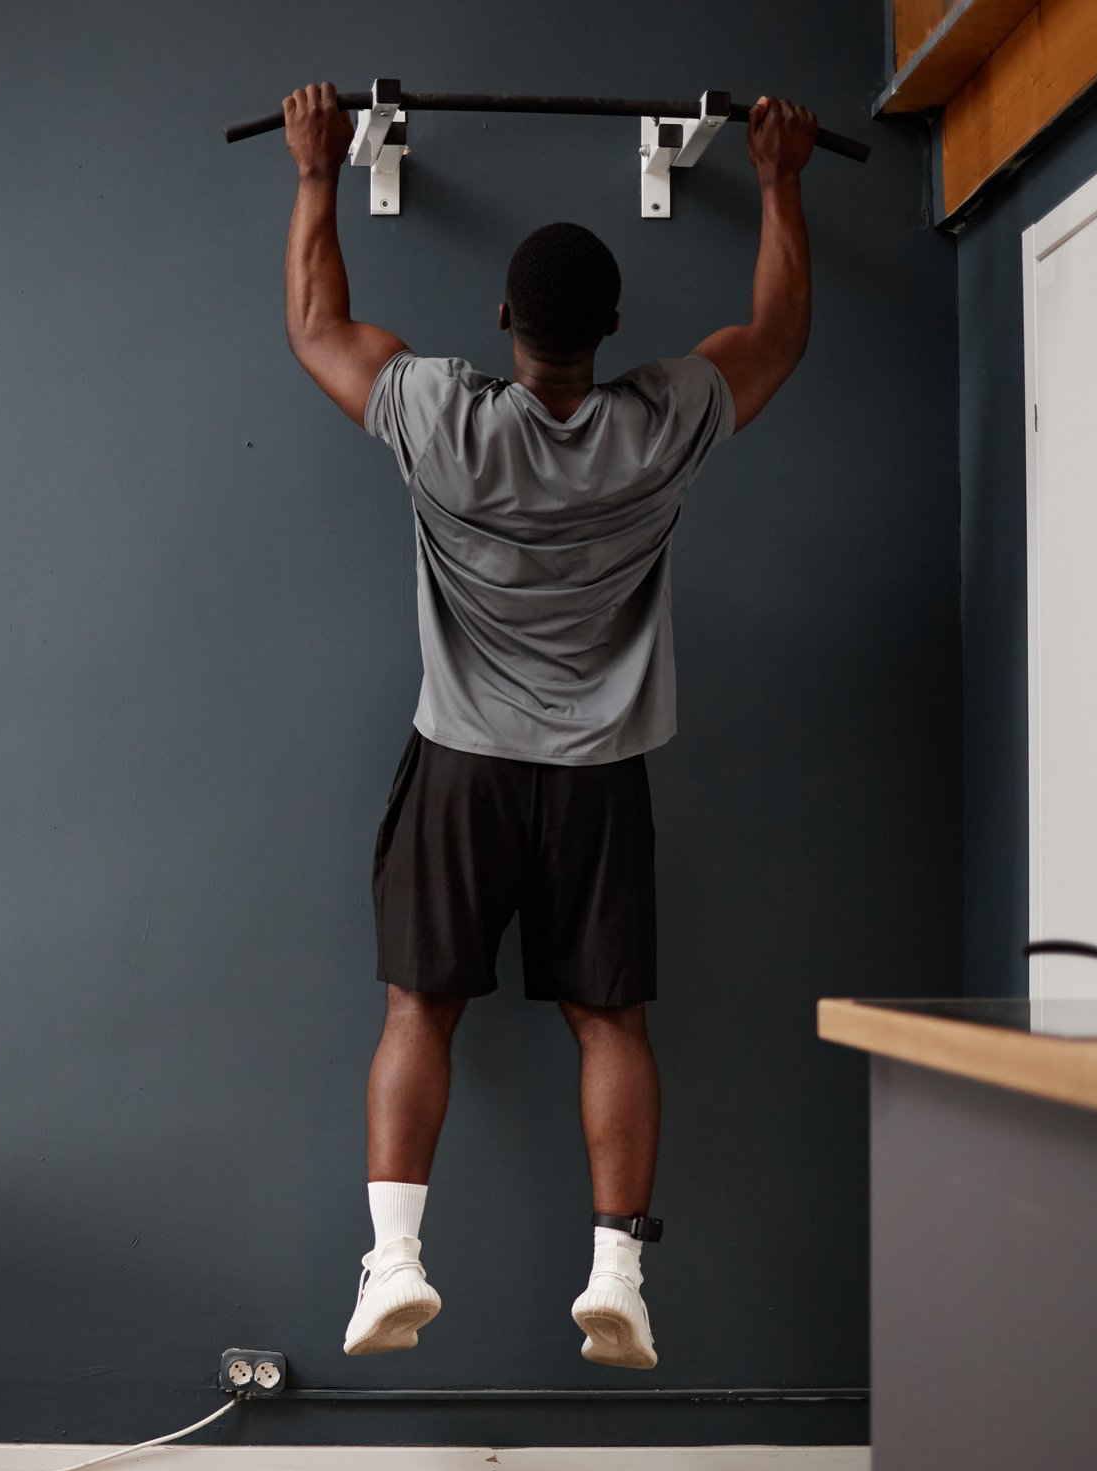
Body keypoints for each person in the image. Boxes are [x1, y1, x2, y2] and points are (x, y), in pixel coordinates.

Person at [276, 82, 819, 1366]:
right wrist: (782, 179)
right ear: (615, 330)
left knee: (421, 1009)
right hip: (598, 775)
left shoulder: (443, 419)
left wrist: (317, 170)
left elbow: (317, 326)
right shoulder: (661, 420)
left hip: (462, 765)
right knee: (610, 1022)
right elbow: (778, 334)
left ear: (506, 320)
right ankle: (619, 1269)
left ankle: (394, 1262)